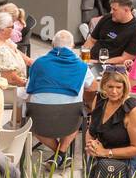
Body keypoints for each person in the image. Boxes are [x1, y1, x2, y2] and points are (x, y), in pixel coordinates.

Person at [26, 31, 91, 165]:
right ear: (73, 46)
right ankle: (61, 153)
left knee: (31, 121)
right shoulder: (81, 66)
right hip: (70, 121)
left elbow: (28, 89)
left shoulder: (38, 63)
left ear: (52, 44)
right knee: (80, 113)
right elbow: (92, 86)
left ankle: (60, 154)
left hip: (40, 122)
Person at [85, 67, 136, 178]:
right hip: (97, 163)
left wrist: (106, 153)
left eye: (118, 87)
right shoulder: (100, 99)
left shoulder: (131, 109)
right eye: (110, 87)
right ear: (104, 86)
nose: (114, 91)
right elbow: (91, 129)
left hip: (122, 169)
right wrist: (90, 145)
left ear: (125, 87)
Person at [84, 0, 136, 65]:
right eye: (111, 8)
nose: (111, 12)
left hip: (111, 67)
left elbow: (124, 58)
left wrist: (98, 62)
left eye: (114, 9)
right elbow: (92, 40)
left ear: (126, 10)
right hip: (91, 61)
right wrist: (84, 58)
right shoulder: (107, 18)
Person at [0, 12, 30, 86]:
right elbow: (12, 78)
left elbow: (15, 51)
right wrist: (28, 86)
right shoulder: (0, 51)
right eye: (12, 27)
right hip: (10, 90)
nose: (14, 29)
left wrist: (30, 61)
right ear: (3, 30)